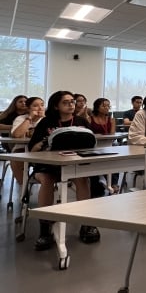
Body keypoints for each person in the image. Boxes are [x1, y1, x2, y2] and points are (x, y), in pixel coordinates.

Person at [28, 91, 100, 250]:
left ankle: (86, 223)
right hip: (47, 165)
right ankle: (45, 228)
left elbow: (92, 144)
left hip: (74, 164)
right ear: (56, 105)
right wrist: (44, 143)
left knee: (83, 179)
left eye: (72, 101)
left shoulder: (81, 121)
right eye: (66, 102)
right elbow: (32, 149)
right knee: (47, 180)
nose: (71, 105)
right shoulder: (46, 122)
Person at [10, 97, 45, 185]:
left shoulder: (46, 119)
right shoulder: (21, 118)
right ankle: (24, 188)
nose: (40, 108)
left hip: (41, 150)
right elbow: (17, 135)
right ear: (28, 108)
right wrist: (30, 118)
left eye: (42, 105)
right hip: (22, 149)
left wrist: (45, 119)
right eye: (36, 106)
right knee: (15, 160)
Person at [89, 98, 118, 194]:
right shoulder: (90, 119)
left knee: (115, 160)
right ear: (97, 107)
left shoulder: (111, 120)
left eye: (108, 106)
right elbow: (88, 134)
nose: (107, 108)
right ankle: (98, 182)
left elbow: (112, 135)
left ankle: (113, 183)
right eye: (104, 105)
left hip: (107, 146)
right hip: (93, 146)